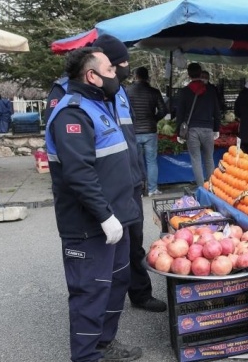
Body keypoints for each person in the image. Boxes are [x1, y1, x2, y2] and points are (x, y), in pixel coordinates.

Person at [45, 34, 167, 313]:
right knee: (98, 266)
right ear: (97, 69)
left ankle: (138, 293)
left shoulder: (118, 91)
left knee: (132, 246)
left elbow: (127, 137)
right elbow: (74, 159)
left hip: (129, 183)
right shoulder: (67, 97)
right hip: (99, 193)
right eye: (118, 64)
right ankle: (95, 319)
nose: (123, 68)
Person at [45, 47, 142, 362]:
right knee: (90, 292)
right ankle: (86, 356)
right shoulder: (73, 113)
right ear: (92, 76)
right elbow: (78, 173)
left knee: (117, 282)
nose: (117, 73)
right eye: (111, 69)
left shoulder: (100, 104)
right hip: (90, 225)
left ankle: (104, 342)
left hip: (118, 217)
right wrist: (104, 215)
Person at [176, 63, 222, 188]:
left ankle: (201, 188)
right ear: (201, 72)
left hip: (192, 130)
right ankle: (212, 187)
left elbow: (179, 113)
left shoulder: (185, 91)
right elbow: (217, 112)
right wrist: (217, 129)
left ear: (188, 74)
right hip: (208, 129)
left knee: (196, 159)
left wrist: (178, 132)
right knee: (209, 159)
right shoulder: (211, 91)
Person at [127, 67, 168, 196]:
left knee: (135, 161)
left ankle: (138, 190)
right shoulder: (154, 92)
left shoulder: (127, 91)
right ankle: (152, 189)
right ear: (147, 77)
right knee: (151, 161)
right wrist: (154, 119)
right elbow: (163, 110)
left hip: (133, 131)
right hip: (150, 131)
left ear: (135, 76)